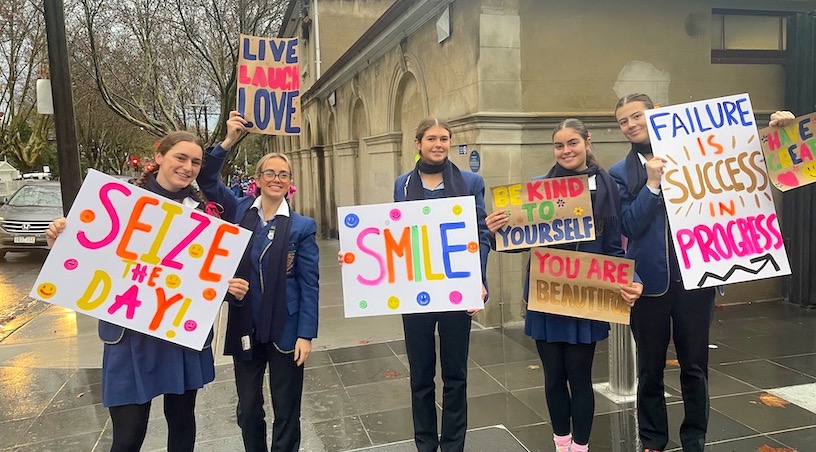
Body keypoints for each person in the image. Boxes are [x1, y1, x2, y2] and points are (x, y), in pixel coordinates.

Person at [45, 131, 250, 452]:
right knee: (128, 437)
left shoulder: (204, 213)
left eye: (195, 162)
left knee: (182, 423)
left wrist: (225, 287)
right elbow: (87, 256)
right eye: (180, 158)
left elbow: (201, 275)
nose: (188, 167)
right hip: (130, 336)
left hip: (179, 333)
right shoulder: (120, 201)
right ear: (159, 158)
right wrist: (60, 240)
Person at [486, 119, 643, 452]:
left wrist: (630, 279)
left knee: (580, 376)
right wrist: (496, 229)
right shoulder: (538, 188)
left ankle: (581, 446)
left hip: (587, 292)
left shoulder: (607, 186)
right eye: (559, 145)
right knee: (553, 376)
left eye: (572, 143)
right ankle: (561, 442)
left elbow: (615, 245)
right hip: (547, 292)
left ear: (588, 142)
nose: (566, 150)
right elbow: (517, 244)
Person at [197, 111, 319, 452]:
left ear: (289, 181)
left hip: (287, 330)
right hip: (245, 325)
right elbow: (207, 178)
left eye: (283, 174)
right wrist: (229, 139)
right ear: (258, 178)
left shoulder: (302, 226)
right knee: (249, 408)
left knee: (287, 409)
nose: (277, 179)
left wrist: (306, 334)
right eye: (270, 173)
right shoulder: (237, 211)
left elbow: (309, 284)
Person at [608, 94, 716, 452]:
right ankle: (653, 439)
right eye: (624, 121)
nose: (631, 124)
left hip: (696, 279)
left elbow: (738, 165)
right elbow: (629, 225)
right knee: (650, 370)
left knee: (695, 366)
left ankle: (695, 437)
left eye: (636, 115)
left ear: (654, 113)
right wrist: (652, 185)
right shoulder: (619, 174)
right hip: (648, 286)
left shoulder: (695, 153)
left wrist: (779, 130)